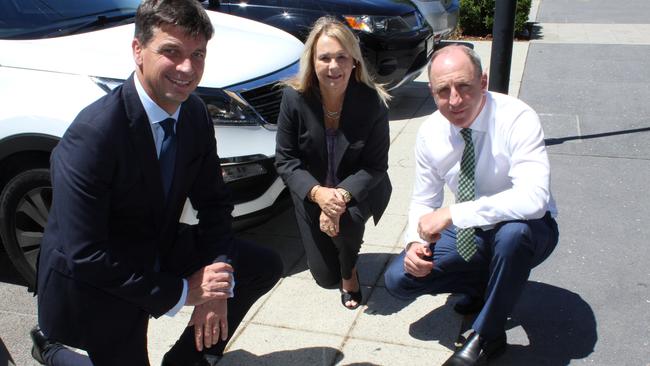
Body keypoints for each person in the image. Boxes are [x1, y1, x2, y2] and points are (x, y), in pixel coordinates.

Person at [30, 1, 283, 365]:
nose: (187, 68)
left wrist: (216, 284)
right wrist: (184, 292)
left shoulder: (193, 112)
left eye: (198, 54)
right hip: (96, 278)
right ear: (138, 50)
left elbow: (214, 203)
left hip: (154, 245)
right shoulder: (94, 135)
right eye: (171, 51)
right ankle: (51, 350)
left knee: (260, 265)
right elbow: (85, 254)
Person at [383, 45, 559, 366]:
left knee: (512, 236)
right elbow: (425, 198)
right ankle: (484, 285)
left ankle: (486, 337)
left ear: (483, 82)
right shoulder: (430, 132)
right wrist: (415, 243)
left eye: (463, 85)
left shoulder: (517, 117)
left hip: (531, 228)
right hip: (473, 231)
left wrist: (453, 213)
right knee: (399, 279)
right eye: (442, 91)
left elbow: (534, 199)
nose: (454, 100)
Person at [275, 17, 392, 310]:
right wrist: (319, 195)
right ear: (312, 62)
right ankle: (338, 260)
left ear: (354, 61)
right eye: (324, 57)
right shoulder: (294, 99)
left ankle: (349, 269)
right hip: (312, 190)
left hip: (357, 189)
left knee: (347, 222)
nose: (333, 66)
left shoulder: (372, 102)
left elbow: (376, 166)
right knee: (325, 278)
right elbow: (286, 160)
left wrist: (338, 197)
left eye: (342, 57)